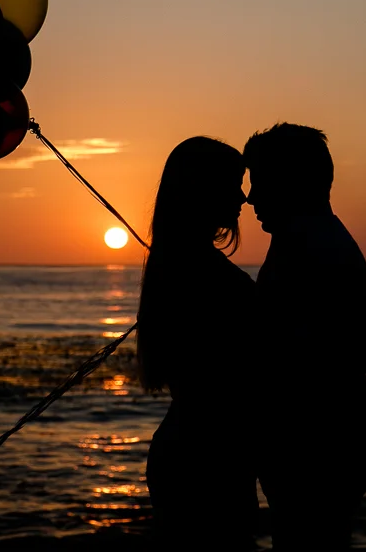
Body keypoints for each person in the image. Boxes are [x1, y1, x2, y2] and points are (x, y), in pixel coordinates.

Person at [243, 123, 366, 551]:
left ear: (291, 183)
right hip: (331, 445)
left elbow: (301, 362)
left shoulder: (310, 249)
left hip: (318, 452)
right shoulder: (305, 240)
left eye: (260, 182)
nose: (250, 198)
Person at [138, 136, 259, 550]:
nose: (243, 197)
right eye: (233, 184)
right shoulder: (201, 274)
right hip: (206, 460)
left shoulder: (177, 264)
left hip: (195, 450)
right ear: (201, 189)